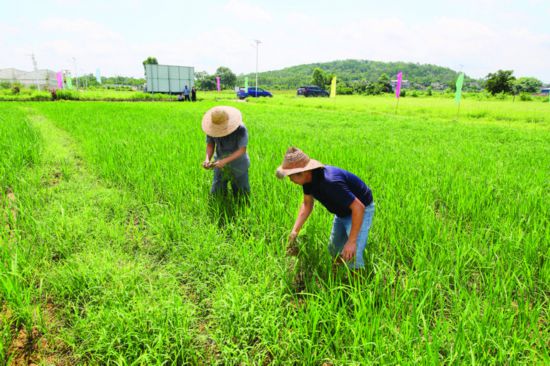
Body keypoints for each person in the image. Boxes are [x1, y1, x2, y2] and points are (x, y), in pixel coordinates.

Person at [276, 147, 374, 269]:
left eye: (291, 176)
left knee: (352, 254)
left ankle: (357, 284)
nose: (290, 180)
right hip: (342, 212)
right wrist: (294, 231)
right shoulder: (308, 180)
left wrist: (352, 241)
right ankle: (336, 275)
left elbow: (358, 207)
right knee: (334, 249)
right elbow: (307, 205)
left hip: (361, 210)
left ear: (304, 172)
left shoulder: (330, 182)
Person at [201, 106, 250, 197]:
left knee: (242, 195)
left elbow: (242, 150)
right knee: (217, 194)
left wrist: (225, 161)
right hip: (219, 164)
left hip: (239, 164)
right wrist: (207, 159)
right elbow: (210, 145)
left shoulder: (240, 129)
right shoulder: (211, 129)